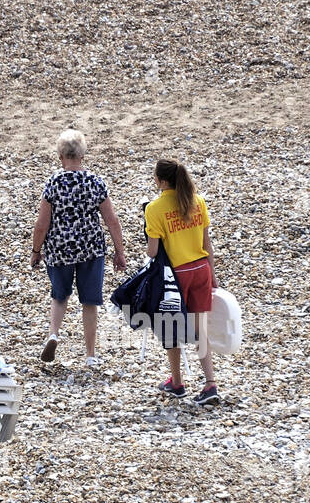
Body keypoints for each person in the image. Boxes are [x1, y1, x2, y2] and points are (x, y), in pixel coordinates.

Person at [31, 130, 127, 367]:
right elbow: (111, 220)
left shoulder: (53, 182)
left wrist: (35, 250)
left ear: (61, 155)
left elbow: (42, 224)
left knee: (59, 295)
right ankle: (90, 355)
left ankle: (54, 333)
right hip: (91, 248)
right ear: (82, 155)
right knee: (89, 302)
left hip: (60, 248)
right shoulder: (95, 182)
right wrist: (119, 251)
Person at [144, 158, 220, 405]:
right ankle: (210, 384)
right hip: (201, 270)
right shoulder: (197, 201)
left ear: (162, 181)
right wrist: (214, 275)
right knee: (201, 330)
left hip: (176, 274)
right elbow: (207, 244)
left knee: (170, 326)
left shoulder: (154, 209)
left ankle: (177, 382)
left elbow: (153, 252)